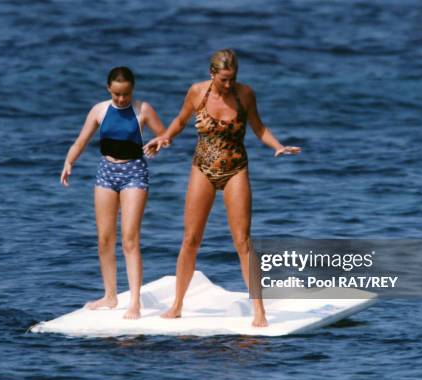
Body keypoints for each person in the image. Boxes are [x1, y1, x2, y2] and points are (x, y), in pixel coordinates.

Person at [144, 49, 301, 327]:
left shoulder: (245, 95)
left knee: (243, 241)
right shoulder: (197, 92)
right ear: (212, 74)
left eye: (233, 79)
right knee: (191, 239)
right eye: (224, 80)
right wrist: (165, 137)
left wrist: (278, 146)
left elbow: (258, 127)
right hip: (202, 168)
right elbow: (180, 120)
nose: (228, 85)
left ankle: (259, 312)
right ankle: (177, 305)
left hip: (236, 169)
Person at [61, 66, 165, 319]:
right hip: (106, 172)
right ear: (109, 89)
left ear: (132, 90)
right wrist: (69, 162)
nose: (121, 99)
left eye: (126, 94)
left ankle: (135, 302)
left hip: (134, 172)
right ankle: (110, 296)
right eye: (117, 94)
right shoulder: (99, 110)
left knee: (130, 239)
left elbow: (164, 135)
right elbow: (81, 140)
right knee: (105, 238)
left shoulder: (143, 110)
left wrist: (158, 142)